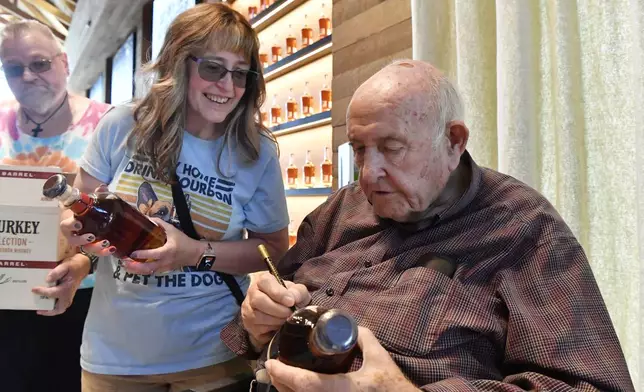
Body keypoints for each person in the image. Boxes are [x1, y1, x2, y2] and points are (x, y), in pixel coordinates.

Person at [221, 59, 636, 391]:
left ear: (453, 141)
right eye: (360, 150)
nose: (368, 175)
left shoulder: (523, 229)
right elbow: (267, 308)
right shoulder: (344, 207)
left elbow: (589, 384)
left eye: (391, 147)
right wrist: (258, 320)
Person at [55, 3, 289, 392]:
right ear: (179, 62)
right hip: (116, 357)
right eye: (213, 68)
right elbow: (83, 212)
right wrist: (80, 257)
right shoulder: (122, 126)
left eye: (240, 73)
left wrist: (194, 252)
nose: (227, 87)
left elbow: (273, 249)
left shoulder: (255, 151)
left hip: (216, 357)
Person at [0, 20, 111, 392]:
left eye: (40, 63)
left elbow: (134, 217)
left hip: (90, 298)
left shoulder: (109, 125)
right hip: (7, 300)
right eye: (14, 69)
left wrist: (85, 261)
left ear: (64, 62)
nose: (28, 76)